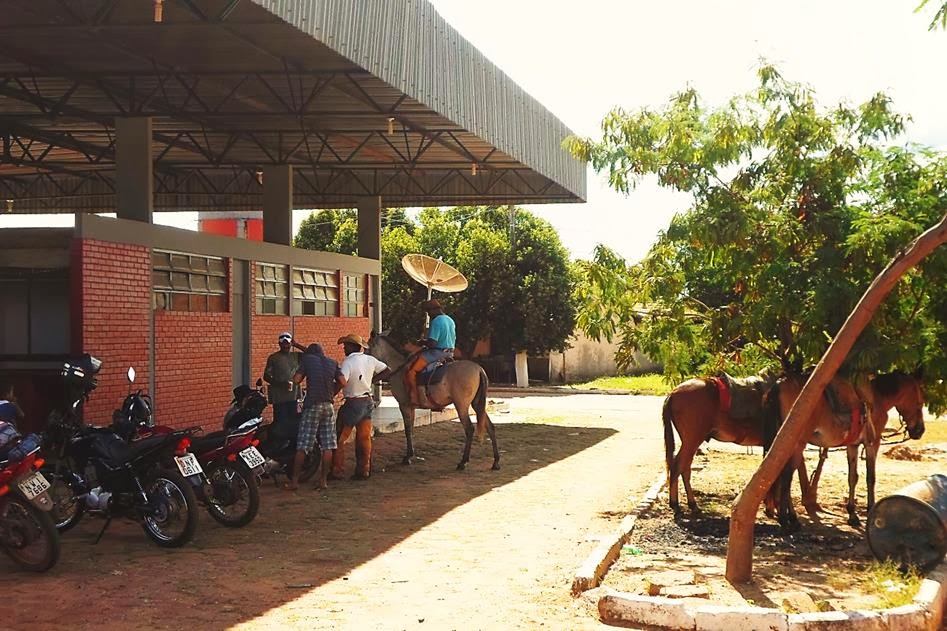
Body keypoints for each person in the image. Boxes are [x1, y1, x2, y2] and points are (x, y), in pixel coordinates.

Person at [331, 333, 390, 480]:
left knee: (339, 438)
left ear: (353, 347)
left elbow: (342, 381)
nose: (344, 348)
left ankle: (337, 470)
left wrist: (331, 394)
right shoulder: (370, 360)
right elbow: (387, 370)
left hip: (353, 402)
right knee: (364, 438)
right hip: (367, 401)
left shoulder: (348, 362)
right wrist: (371, 381)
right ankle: (363, 470)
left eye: (346, 346)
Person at [289, 342, 345, 490]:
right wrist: (332, 392)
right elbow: (343, 382)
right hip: (328, 406)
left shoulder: (307, 361)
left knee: (303, 445)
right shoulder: (332, 362)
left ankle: (294, 481)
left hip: (312, 405)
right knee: (327, 446)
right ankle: (323, 481)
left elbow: (296, 380)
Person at [405, 298, 456, 406]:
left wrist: (421, 342)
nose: (428, 315)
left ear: (432, 310)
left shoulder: (437, 321)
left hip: (437, 353)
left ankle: (416, 397)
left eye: (428, 312)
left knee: (412, 371)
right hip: (450, 353)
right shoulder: (449, 319)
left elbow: (432, 343)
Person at [262, 332, 302, 443]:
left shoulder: (296, 356)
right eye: (283, 344)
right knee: (280, 423)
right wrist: (280, 384)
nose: (285, 346)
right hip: (279, 398)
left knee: (293, 423)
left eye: (288, 344)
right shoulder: (274, 358)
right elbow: (266, 376)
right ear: (279, 344)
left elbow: (312, 353)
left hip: (293, 397)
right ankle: (278, 445)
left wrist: (297, 344)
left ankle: (290, 446)